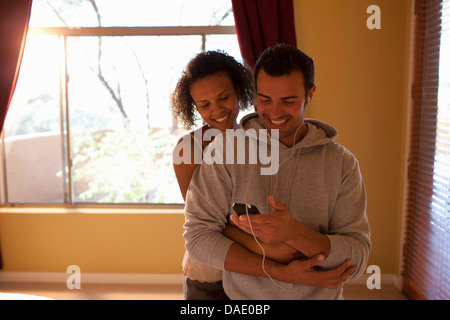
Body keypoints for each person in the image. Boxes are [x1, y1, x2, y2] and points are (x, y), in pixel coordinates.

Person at [183, 44, 371, 300]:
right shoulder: (224, 150)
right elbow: (198, 237)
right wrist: (279, 271)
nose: (274, 112)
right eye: (265, 99)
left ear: (310, 94)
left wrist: (297, 234)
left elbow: (357, 259)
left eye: (288, 100)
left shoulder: (342, 163)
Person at [171, 50, 260, 299]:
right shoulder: (188, 149)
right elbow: (201, 221)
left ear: (239, 92)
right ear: (194, 107)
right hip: (210, 269)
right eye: (204, 104)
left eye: (223, 98)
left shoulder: (259, 140)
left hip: (257, 271)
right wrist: (262, 249)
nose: (217, 110)